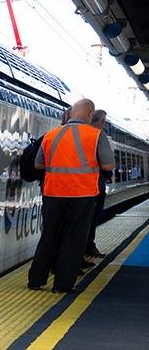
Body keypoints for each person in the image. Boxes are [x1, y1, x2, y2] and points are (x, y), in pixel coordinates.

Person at [27, 98, 115, 292]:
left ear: (72, 113)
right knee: (73, 238)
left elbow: (38, 164)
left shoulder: (52, 134)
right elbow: (109, 165)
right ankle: (62, 284)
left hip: (52, 193)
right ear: (91, 114)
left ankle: (35, 280)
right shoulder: (96, 135)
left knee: (49, 235)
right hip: (81, 195)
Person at [84, 108, 111, 260]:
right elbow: (108, 165)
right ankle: (87, 248)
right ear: (102, 122)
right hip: (95, 186)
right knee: (91, 220)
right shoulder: (98, 136)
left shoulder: (80, 133)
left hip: (75, 187)